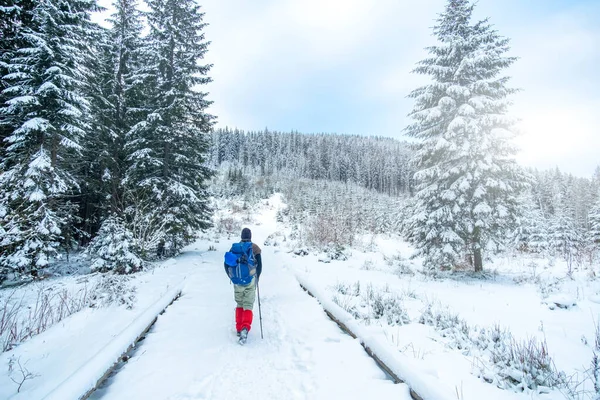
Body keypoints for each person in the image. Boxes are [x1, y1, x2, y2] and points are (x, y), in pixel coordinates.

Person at [227, 227, 262, 341]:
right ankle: (245, 327)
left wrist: (232, 277)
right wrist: (256, 279)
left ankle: (238, 328)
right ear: (250, 236)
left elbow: (227, 264)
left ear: (241, 236)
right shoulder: (255, 248)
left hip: (237, 281)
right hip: (250, 280)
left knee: (239, 303)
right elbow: (259, 265)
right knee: (248, 304)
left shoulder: (235, 248)